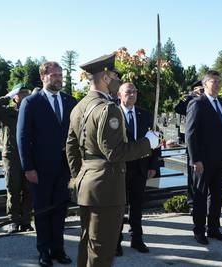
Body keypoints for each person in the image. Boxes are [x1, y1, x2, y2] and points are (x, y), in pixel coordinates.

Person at [66, 53, 159, 267]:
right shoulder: (109, 109)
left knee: (87, 246)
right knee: (101, 252)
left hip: (87, 185)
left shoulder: (79, 107)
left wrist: (80, 176)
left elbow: (71, 148)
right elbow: (115, 153)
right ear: (106, 78)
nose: (118, 79)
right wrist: (148, 143)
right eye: (116, 75)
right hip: (106, 188)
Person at [17, 62, 77, 266]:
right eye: (54, 75)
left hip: (64, 168)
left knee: (60, 210)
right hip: (40, 169)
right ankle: (43, 252)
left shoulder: (71, 101)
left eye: (61, 74)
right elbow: (23, 137)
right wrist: (28, 167)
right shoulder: (31, 102)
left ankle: (58, 250)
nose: (59, 78)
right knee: (42, 211)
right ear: (43, 77)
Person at [186, 70, 222, 245]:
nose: (218, 84)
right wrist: (196, 160)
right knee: (200, 196)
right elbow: (191, 134)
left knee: (217, 196)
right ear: (205, 83)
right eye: (214, 81)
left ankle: (214, 229)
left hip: (221, 160)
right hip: (203, 161)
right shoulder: (197, 104)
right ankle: (199, 230)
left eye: (219, 81)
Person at [116, 82, 160, 255]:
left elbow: (156, 141)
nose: (132, 94)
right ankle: (116, 241)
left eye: (135, 91)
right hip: (120, 169)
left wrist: (153, 164)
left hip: (141, 168)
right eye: (128, 92)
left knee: (136, 206)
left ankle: (136, 238)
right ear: (119, 95)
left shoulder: (145, 115)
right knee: (119, 206)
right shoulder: (113, 114)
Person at [0, 83, 32, 233]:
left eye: (28, 92)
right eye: (22, 93)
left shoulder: (33, 111)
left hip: (29, 156)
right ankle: (14, 221)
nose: (26, 95)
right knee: (13, 188)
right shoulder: (8, 112)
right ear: (15, 97)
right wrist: (6, 97)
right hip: (12, 156)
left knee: (29, 189)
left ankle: (26, 221)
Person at [174, 80, 204, 210]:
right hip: (194, 143)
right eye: (200, 90)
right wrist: (191, 96)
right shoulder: (191, 101)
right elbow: (178, 109)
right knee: (193, 175)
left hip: (207, 143)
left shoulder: (209, 100)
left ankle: (204, 203)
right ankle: (192, 202)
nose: (202, 93)